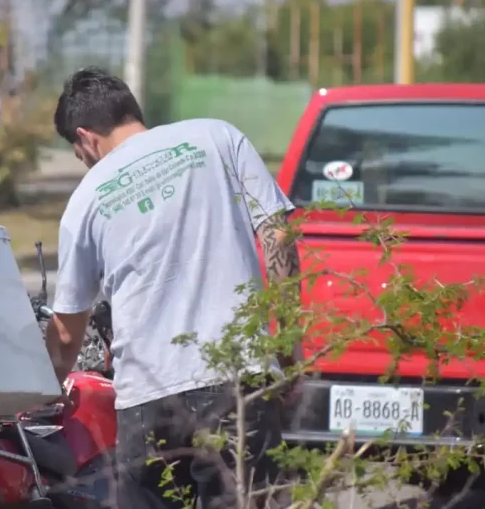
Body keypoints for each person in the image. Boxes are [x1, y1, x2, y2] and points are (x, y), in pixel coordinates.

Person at [43, 67, 301, 508]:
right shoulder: (218, 137)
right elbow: (278, 236)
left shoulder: (85, 201)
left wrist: (42, 392)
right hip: (236, 381)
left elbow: (67, 332)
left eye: (77, 152)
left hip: (146, 402)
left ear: (85, 137)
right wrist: (290, 347)